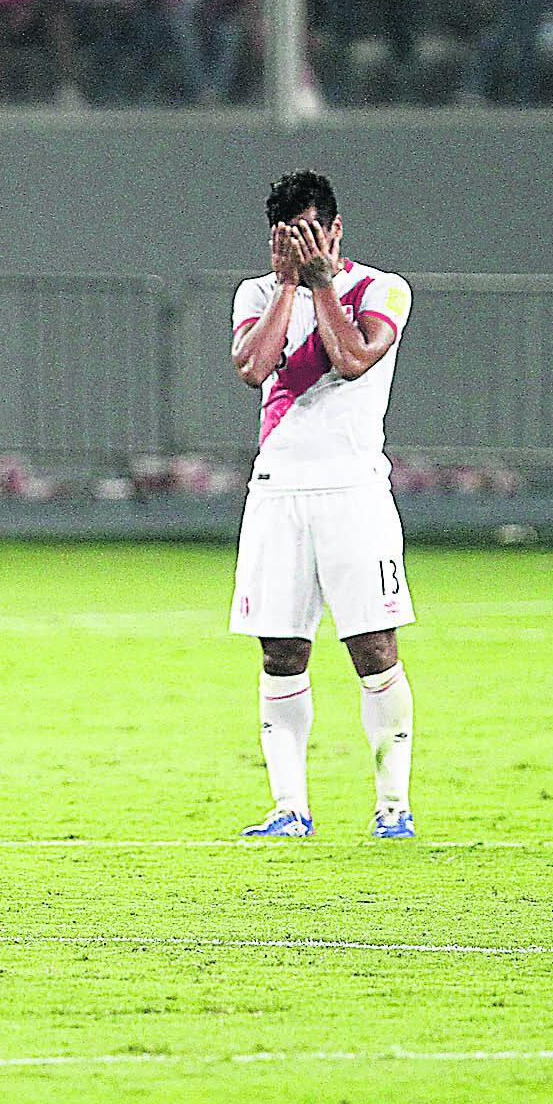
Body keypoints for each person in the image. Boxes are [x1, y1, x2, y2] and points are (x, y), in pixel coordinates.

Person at [228, 169, 416, 840]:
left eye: (313, 233)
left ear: (335, 229)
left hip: (354, 491)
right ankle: (289, 808)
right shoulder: (257, 292)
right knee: (280, 651)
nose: (304, 247)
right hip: (278, 491)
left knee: (372, 646)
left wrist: (322, 284)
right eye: (288, 238)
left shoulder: (380, 288)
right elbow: (253, 367)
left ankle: (392, 806)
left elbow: (354, 357)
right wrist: (287, 285)